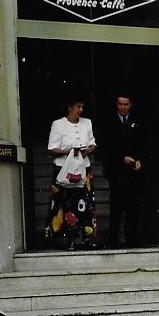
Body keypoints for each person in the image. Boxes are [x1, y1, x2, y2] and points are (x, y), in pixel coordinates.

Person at [46, 96, 98, 250]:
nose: (81, 110)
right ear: (69, 107)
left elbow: (92, 142)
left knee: (86, 204)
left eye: (82, 107)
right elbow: (52, 148)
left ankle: (87, 237)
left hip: (83, 168)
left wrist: (87, 150)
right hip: (64, 169)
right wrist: (69, 151)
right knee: (66, 204)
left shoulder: (87, 123)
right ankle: (70, 239)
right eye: (78, 107)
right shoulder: (58, 124)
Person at [104, 94, 146, 247]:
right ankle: (113, 241)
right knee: (116, 208)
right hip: (116, 172)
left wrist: (140, 159)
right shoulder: (109, 121)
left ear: (131, 104)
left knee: (133, 209)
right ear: (116, 104)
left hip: (133, 173)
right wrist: (121, 158)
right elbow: (107, 147)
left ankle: (131, 240)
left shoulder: (137, 120)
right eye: (120, 104)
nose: (123, 107)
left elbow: (143, 143)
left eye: (126, 104)